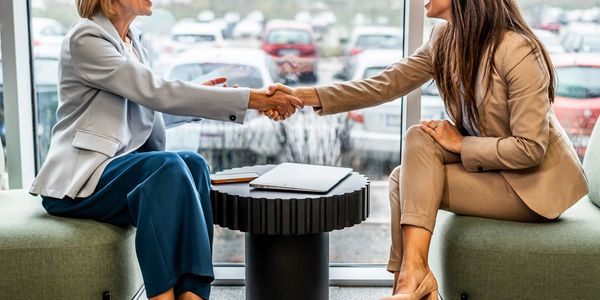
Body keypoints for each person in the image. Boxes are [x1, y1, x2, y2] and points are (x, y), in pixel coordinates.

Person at [265, 0, 589, 299]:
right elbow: (385, 83)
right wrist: (301, 96)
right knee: (409, 157)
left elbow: (530, 149)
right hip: (495, 169)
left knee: (405, 175)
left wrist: (461, 144)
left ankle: (411, 281)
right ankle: (407, 280)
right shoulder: (444, 38)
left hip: (532, 187)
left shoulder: (518, 50)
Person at [29, 1, 302, 300]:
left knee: (193, 164)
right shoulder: (87, 39)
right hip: (80, 180)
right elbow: (156, 92)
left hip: (118, 170)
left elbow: (146, 108)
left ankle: (193, 295)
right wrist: (250, 99)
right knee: (167, 167)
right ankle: (162, 296)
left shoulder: (132, 40)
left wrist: (209, 100)